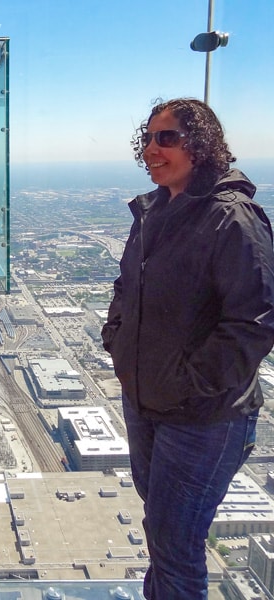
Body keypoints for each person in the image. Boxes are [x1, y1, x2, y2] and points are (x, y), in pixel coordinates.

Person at [101, 98, 274, 599]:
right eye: (148, 139)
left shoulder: (232, 218)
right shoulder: (154, 211)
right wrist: (118, 344)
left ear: (202, 146)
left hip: (204, 418)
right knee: (163, 539)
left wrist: (186, 384)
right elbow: (125, 287)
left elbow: (255, 323)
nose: (152, 150)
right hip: (148, 404)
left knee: (177, 548)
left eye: (167, 138)